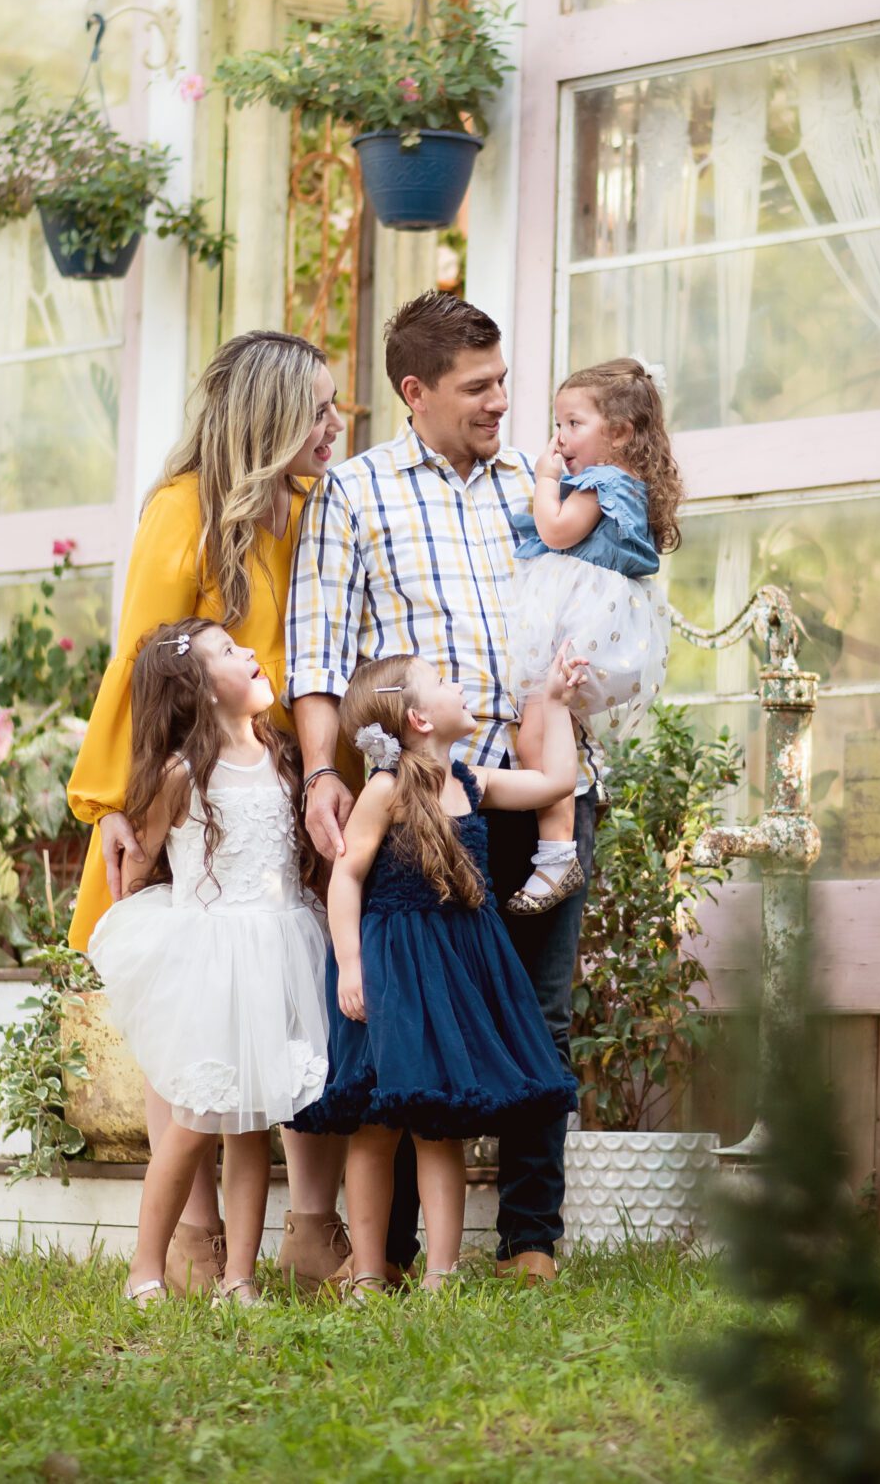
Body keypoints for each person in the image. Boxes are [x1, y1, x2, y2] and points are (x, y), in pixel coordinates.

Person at [286, 291, 599, 1285]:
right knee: (417, 1020)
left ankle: (530, 1238)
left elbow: (599, 599)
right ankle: (402, 1251)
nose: (501, 401)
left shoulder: (540, 488)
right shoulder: (356, 492)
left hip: (540, 786)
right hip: (422, 804)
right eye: (478, 387)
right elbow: (318, 655)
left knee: (535, 1015)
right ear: (414, 391)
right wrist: (315, 775)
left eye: (504, 379)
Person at [64, 329, 351, 1295]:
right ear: (267, 417)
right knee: (191, 1009)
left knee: (291, 1003)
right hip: (199, 790)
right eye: (316, 407)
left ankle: (310, 1228)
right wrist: (115, 801)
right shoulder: (183, 512)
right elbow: (142, 661)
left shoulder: (318, 509)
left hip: (292, 778)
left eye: (336, 404)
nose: (334, 422)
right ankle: (192, 1237)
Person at [292, 653, 585, 1294]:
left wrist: (558, 703)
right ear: (420, 717)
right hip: (393, 968)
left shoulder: (470, 781)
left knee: (438, 1124)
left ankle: (442, 1275)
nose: (463, 686)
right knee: (375, 1124)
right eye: (447, 681)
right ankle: (370, 1269)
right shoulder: (385, 789)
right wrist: (349, 963)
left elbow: (558, 782)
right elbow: (347, 876)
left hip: (455, 967)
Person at [87, 620, 332, 1306]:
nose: (250, 652)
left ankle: (240, 1279)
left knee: (253, 1124)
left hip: (275, 952)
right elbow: (139, 863)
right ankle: (145, 1266)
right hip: (210, 959)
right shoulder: (181, 776)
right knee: (196, 1119)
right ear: (196, 687)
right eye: (228, 651)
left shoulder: (284, 760)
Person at [500, 358, 679, 914]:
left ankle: (557, 855)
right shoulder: (613, 483)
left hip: (577, 626)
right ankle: (555, 852)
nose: (559, 438)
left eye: (573, 424)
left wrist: (545, 479)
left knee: (536, 733)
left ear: (619, 433)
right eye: (557, 424)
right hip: (581, 621)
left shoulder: (602, 483)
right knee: (546, 731)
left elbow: (554, 531)